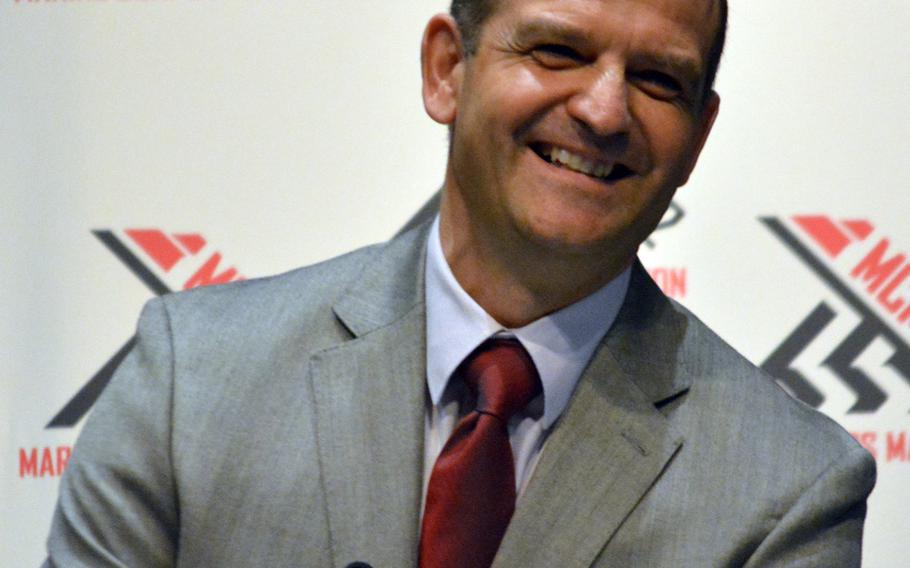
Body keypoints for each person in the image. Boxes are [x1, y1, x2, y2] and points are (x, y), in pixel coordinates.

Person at [45, 0, 876, 566]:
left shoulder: (790, 488)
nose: (605, 111)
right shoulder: (191, 377)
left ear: (698, 137)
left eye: (660, 80)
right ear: (447, 69)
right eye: (559, 50)